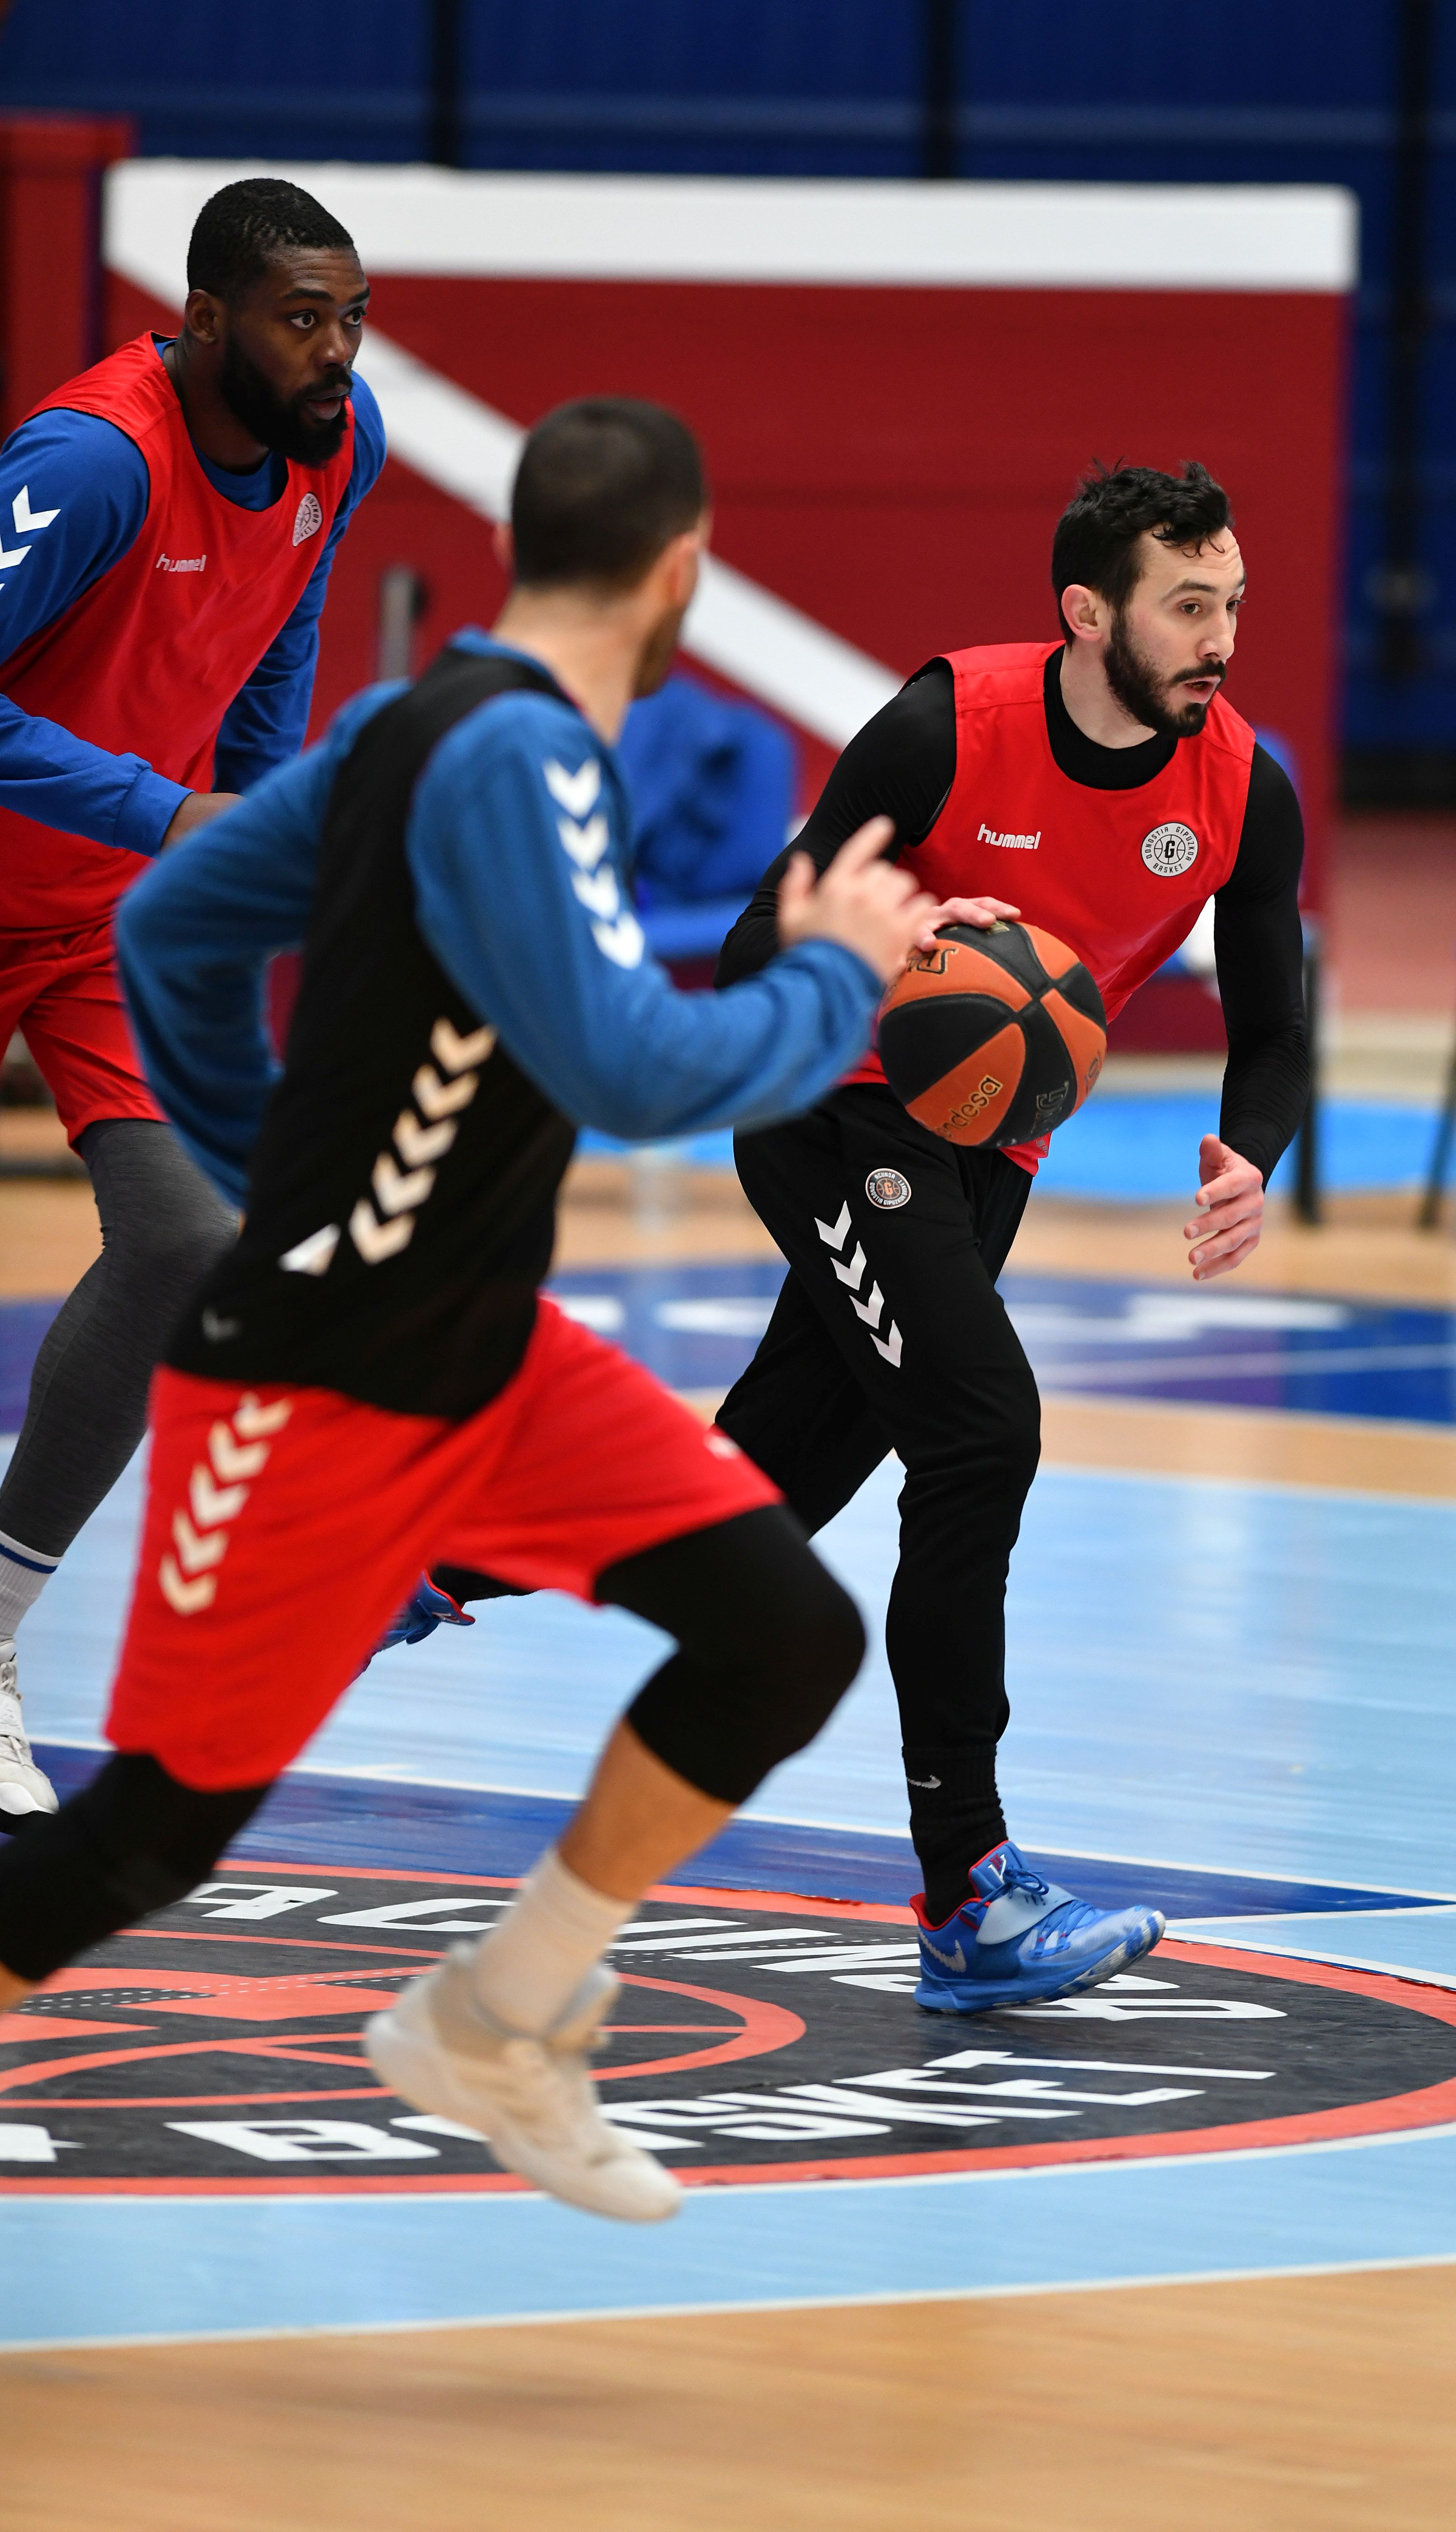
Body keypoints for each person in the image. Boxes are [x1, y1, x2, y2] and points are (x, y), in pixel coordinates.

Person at [0, 395, 933, 2221]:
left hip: (487, 1358)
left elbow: (176, 922)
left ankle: (496, 2017)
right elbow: (632, 1064)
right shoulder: (515, 761)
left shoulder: (397, 723)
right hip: (322, 1388)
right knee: (139, 1842)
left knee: (781, 1636)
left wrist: (259, 1142)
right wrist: (836, 978)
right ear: (682, 572)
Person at [702, 460, 1311, 2012]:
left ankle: (433, 1561)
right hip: (830, 1104)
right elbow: (747, 938)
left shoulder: (1241, 783)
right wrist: (879, 926)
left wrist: (1253, 1149)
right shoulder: (944, 726)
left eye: (1231, 602)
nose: (1219, 636)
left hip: (982, 1152)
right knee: (980, 1435)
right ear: (1086, 612)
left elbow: (1270, 1020)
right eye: (1188, 606)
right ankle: (968, 1888)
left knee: (767, 1484)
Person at [0, 176, 387, 1815]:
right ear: (206, 319)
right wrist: (167, 813)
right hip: (78, 855)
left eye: (354, 316)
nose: (337, 350)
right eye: (304, 317)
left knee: (184, 1236)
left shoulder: (336, 444)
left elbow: (275, 635)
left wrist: (255, 823)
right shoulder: (92, 460)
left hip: (99, 926)